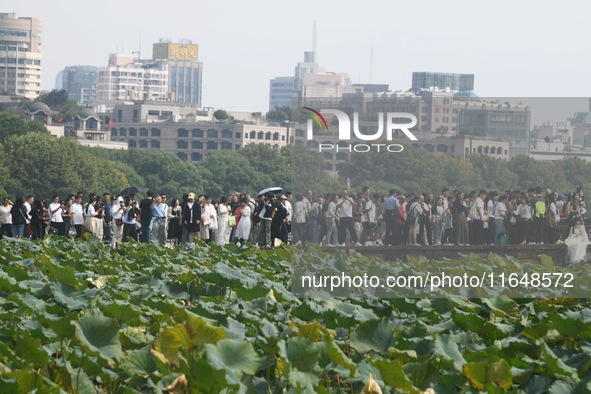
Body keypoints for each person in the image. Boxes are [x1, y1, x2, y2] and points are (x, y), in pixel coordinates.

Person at [565, 197, 589, 264]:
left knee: (580, 245)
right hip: (574, 238)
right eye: (577, 221)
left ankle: (580, 259)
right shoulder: (572, 228)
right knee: (574, 244)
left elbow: (584, 236)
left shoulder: (581, 227)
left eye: (578, 221)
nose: (578, 222)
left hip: (580, 239)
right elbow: (571, 235)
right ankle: (573, 260)